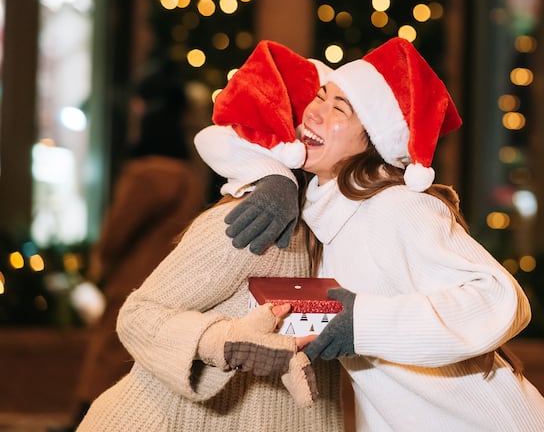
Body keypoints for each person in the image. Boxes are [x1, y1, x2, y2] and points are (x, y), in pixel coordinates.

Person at [226, 37, 544, 431]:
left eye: (340, 108)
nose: (315, 113)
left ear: (373, 140)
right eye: (319, 97)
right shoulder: (320, 211)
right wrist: (275, 178)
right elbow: (225, 132)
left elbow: (498, 299)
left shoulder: (396, 206)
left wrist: (362, 324)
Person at [76, 41, 344, 431]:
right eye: (321, 106)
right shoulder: (257, 222)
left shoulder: (340, 228)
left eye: (342, 110)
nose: (325, 118)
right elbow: (137, 315)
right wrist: (228, 341)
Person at [70, 59, 207, 425]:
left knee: (108, 358)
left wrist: (101, 263)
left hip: (130, 278)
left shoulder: (147, 173)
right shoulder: (187, 172)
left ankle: (85, 421)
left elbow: (117, 232)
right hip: (169, 278)